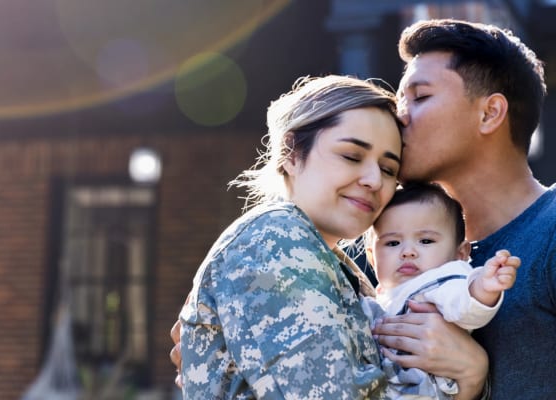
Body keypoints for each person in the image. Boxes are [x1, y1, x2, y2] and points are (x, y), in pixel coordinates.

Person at [371, 18, 556, 399]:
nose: (399, 116)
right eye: (400, 100)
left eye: (419, 97)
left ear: (489, 114)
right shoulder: (395, 252)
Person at [176, 75, 488, 399]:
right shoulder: (276, 242)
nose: (373, 180)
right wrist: (470, 375)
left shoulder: (333, 262)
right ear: (291, 153)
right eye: (352, 156)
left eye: (388, 169)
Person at [361, 182, 520, 399]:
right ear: (372, 256)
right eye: (392, 243)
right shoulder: (384, 295)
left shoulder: (440, 280)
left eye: (426, 241)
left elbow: (463, 304)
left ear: (461, 253)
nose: (408, 251)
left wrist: (483, 286)